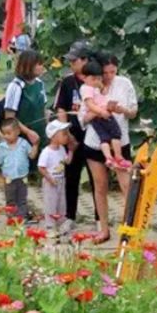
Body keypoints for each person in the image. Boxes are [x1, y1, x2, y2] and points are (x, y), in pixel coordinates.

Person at [81, 54, 139, 242]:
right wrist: (98, 112)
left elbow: (133, 111)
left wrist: (121, 110)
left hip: (119, 141)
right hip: (94, 142)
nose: (108, 76)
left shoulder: (124, 84)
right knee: (100, 186)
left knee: (126, 185)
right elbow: (82, 118)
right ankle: (104, 229)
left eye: (112, 72)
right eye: (105, 72)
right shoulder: (89, 86)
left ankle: (129, 229)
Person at [55, 41, 94, 224]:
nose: (71, 64)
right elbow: (61, 108)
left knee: (96, 179)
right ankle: (70, 216)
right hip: (73, 136)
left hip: (94, 136)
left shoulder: (96, 80)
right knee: (71, 177)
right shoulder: (67, 82)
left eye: (74, 60)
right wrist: (66, 134)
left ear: (85, 60)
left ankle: (99, 218)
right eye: (69, 61)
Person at [79, 60, 131, 170]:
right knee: (116, 133)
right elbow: (90, 104)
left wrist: (101, 87)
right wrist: (101, 111)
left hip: (101, 116)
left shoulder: (94, 87)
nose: (96, 81)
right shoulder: (86, 88)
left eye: (98, 78)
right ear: (84, 78)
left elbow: (101, 94)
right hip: (101, 116)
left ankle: (109, 158)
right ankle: (118, 157)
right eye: (93, 79)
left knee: (105, 138)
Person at [0, 117, 38, 219]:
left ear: (18, 131)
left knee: (22, 199)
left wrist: (36, 145)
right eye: (4, 133)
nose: (6, 136)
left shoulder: (23, 143)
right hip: (9, 178)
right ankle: (11, 218)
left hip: (22, 177)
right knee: (10, 199)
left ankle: (21, 218)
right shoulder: (2, 147)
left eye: (8, 133)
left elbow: (32, 155)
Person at [2, 50, 47, 146]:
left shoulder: (40, 83)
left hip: (41, 136)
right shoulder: (16, 86)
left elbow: (43, 109)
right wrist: (28, 132)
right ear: (28, 66)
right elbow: (10, 117)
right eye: (39, 64)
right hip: (23, 140)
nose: (42, 67)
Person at [38, 120, 72, 233]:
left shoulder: (62, 149)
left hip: (61, 180)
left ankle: (61, 221)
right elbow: (41, 167)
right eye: (64, 134)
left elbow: (67, 161)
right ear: (53, 136)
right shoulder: (47, 152)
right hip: (51, 181)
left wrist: (71, 150)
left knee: (61, 201)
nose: (67, 136)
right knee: (50, 202)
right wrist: (49, 178)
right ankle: (50, 225)